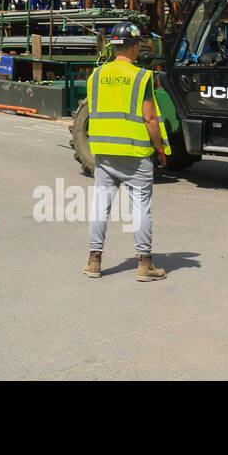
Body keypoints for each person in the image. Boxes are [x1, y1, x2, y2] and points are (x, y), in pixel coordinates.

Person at [84, 22, 169, 282]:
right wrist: (160, 148)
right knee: (141, 207)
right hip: (135, 153)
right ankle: (145, 264)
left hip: (103, 152)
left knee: (100, 205)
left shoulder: (96, 75)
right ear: (133, 47)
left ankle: (93, 261)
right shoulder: (141, 76)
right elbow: (150, 118)